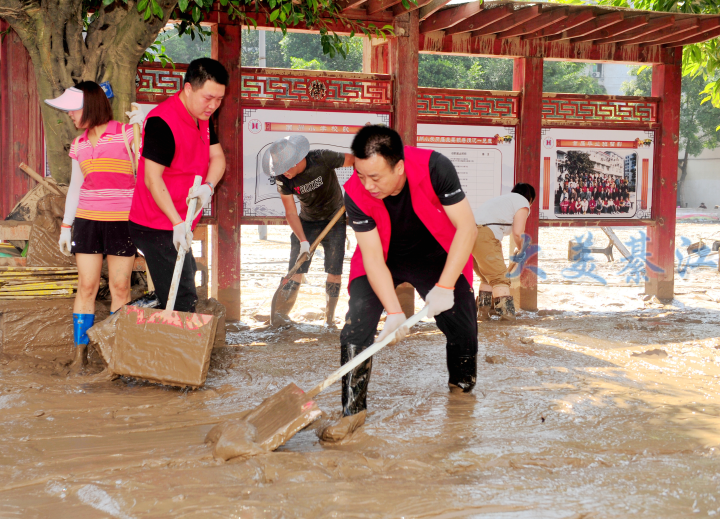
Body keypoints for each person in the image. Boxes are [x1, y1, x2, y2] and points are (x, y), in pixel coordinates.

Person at [326, 125, 478, 438]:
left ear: (399, 167)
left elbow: (467, 229)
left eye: (376, 177)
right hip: (383, 256)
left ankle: (461, 392)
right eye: (361, 175)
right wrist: (394, 313)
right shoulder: (355, 190)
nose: (367, 185)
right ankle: (352, 412)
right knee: (357, 321)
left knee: (462, 325)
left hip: (437, 253)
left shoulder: (436, 168)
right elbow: (371, 255)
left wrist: (446, 285)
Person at [45, 81, 144, 371]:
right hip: (87, 222)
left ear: (90, 106)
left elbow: (145, 167)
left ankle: (116, 356)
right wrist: (66, 226)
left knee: (120, 287)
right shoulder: (79, 144)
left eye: (73, 110)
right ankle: (80, 356)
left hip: (122, 222)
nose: (70, 116)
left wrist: (144, 126)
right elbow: (76, 187)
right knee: (86, 286)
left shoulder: (128, 133)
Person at [128, 58, 227, 313]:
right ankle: (132, 324)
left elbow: (217, 157)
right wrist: (176, 222)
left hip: (180, 221)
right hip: (156, 223)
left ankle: (146, 318)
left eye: (219, 100)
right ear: (188, 89)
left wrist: (209, 186)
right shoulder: (162, 121)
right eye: (209, 98)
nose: (214, 106)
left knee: (178, 286)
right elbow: (152, 179)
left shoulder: (202, 116)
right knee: (182, 297)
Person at [262, 135, 354, 325]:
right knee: (296, 268)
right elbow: (290, 212)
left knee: (335, 270)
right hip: (307, 221)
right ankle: (281, 316)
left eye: (285, 167)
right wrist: (303, 241)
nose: (283, 173)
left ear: (297, 160)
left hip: (335, 219)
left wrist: (362, 178)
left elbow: (354, 160)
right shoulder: (283, 178)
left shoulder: (321, 158)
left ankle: (329, 320)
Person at [471, 183, 535, 321]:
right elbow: (518, 233)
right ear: (530, 199)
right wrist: (522, 250)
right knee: (500, 279)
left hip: (469, 235)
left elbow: (492, 231)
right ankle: (507, 317)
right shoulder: (522, 202)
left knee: (486, 276)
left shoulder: (502, 200)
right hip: (484, 235)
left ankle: (483, 314)